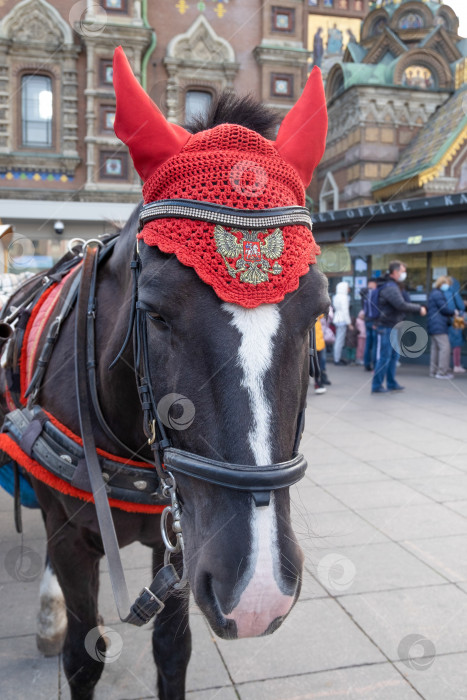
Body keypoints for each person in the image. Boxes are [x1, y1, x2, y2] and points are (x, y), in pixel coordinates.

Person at [372, 261, 427, 394]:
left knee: (393, 357)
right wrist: (419, 308)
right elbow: (401, 305)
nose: (404, 274)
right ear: (395, 272)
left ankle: (391, 383)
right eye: (403, 271)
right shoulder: (390, 287)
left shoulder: (392, 285)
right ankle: (376, 385)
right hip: (387, 326)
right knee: (385, 357)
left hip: (393, 326)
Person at [428, 276, 455, 379]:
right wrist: (454, 312)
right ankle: (442, 372)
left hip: (433, 324)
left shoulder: (433, 293)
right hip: (439, 324)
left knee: (435, 348)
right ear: (442, 283)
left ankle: (433, 371)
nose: (448, 286)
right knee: (445, 347)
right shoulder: (438, 294)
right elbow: (444, 309)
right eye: (447, 283)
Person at [443, 277, 466, 373]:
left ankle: (445, 365)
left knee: (446, 343)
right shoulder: (454, 292)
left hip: (445, 319)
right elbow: (461, 306)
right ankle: (457, 365)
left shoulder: (442, 292)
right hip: (457, 318)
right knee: (457, 342)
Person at [360, 278, 378, 370]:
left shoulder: (364, 293)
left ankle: (366, 364)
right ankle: (375, 365)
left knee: (368, 343)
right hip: (374, 321)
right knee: (375, 343)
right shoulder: (375, 293)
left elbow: (363, 306)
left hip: (367, 320)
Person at [332, 281, 350, 365]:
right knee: (340, 341)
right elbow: (345, 311)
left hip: (337, 318)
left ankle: (337, 357)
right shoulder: (344, 297)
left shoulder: (336, 296)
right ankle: (337, 359)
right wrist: (349, 323)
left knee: (338, 340)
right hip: (342, 319)